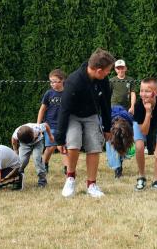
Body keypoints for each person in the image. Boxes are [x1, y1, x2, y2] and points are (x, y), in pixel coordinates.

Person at [55, 48, 116, 198]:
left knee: (94, 146)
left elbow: (105, 104)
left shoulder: (103, 80)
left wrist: (107, 127)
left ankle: (91, 185)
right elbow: (64, 110)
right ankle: (70, 178)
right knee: (73, 143)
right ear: (99, 70)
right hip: (72, 116)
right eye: (108, 70)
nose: (109, 73)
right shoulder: (73, 81)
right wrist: (60, 139)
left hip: (91, 115)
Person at [132, 78, 157, 191]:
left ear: (156, 92)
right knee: (139, 146)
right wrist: (148, 113)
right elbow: (144, 131)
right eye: (141, 91)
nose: (143, 94)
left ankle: (156, 180)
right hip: (142, 124)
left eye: (147, 91)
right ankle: (141, 177)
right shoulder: (138, 105)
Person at [38, 69, 66, 176]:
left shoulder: (67, 93)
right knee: (50, 147)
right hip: (50, 125)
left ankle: (67, 168)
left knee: (64, 147)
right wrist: (38, 125)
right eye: (51, 82)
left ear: (62, 80)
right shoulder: (49, 93)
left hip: (64, 125)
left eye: (54, 81)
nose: (52, 84)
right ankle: (44, 164)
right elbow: (42, 109)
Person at [10, 122, 54, 187]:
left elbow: (46, 125)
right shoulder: (16, 134)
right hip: (24, 145)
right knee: (21, 161)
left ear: (33, 133)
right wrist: (15, 150)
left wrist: (50, 136)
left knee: (37, 158)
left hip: (38, 142)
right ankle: (19, 177)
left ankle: (42, 180)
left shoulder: (37, 128)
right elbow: (14, 140)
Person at [103, 105, 135, 179]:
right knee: (112, 146)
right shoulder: (107, 120)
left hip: (125, 128)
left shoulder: (129, 120)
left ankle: (120, 162)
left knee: (123, 145)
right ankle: (117, 168)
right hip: (110, 125)